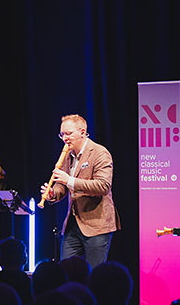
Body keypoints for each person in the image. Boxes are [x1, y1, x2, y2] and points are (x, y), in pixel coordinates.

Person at [40, 114, 120, 268]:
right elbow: (61, 187)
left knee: (94, 274)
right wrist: (52, 194)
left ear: (82, 132)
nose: (65, 138)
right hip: (73, 223)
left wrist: (69, 180)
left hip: (97, 223)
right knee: (66, 270)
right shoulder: (67, 154)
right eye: (62, 134)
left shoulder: (99, 153)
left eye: (68, 134)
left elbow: (103, 186)